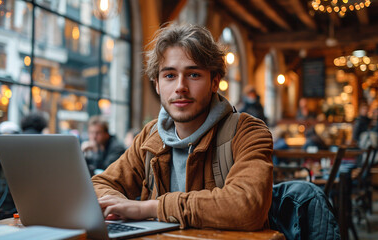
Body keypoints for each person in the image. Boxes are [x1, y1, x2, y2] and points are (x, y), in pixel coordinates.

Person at [92, 24, 273, 231]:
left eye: (194, 75)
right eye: (169, 75)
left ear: (215, 82)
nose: (180, 86)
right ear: (157, 85)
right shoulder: (150, 137)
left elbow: (248, 207)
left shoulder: (248, 132)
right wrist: (117, 204)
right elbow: (99, 185)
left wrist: (151, 208)